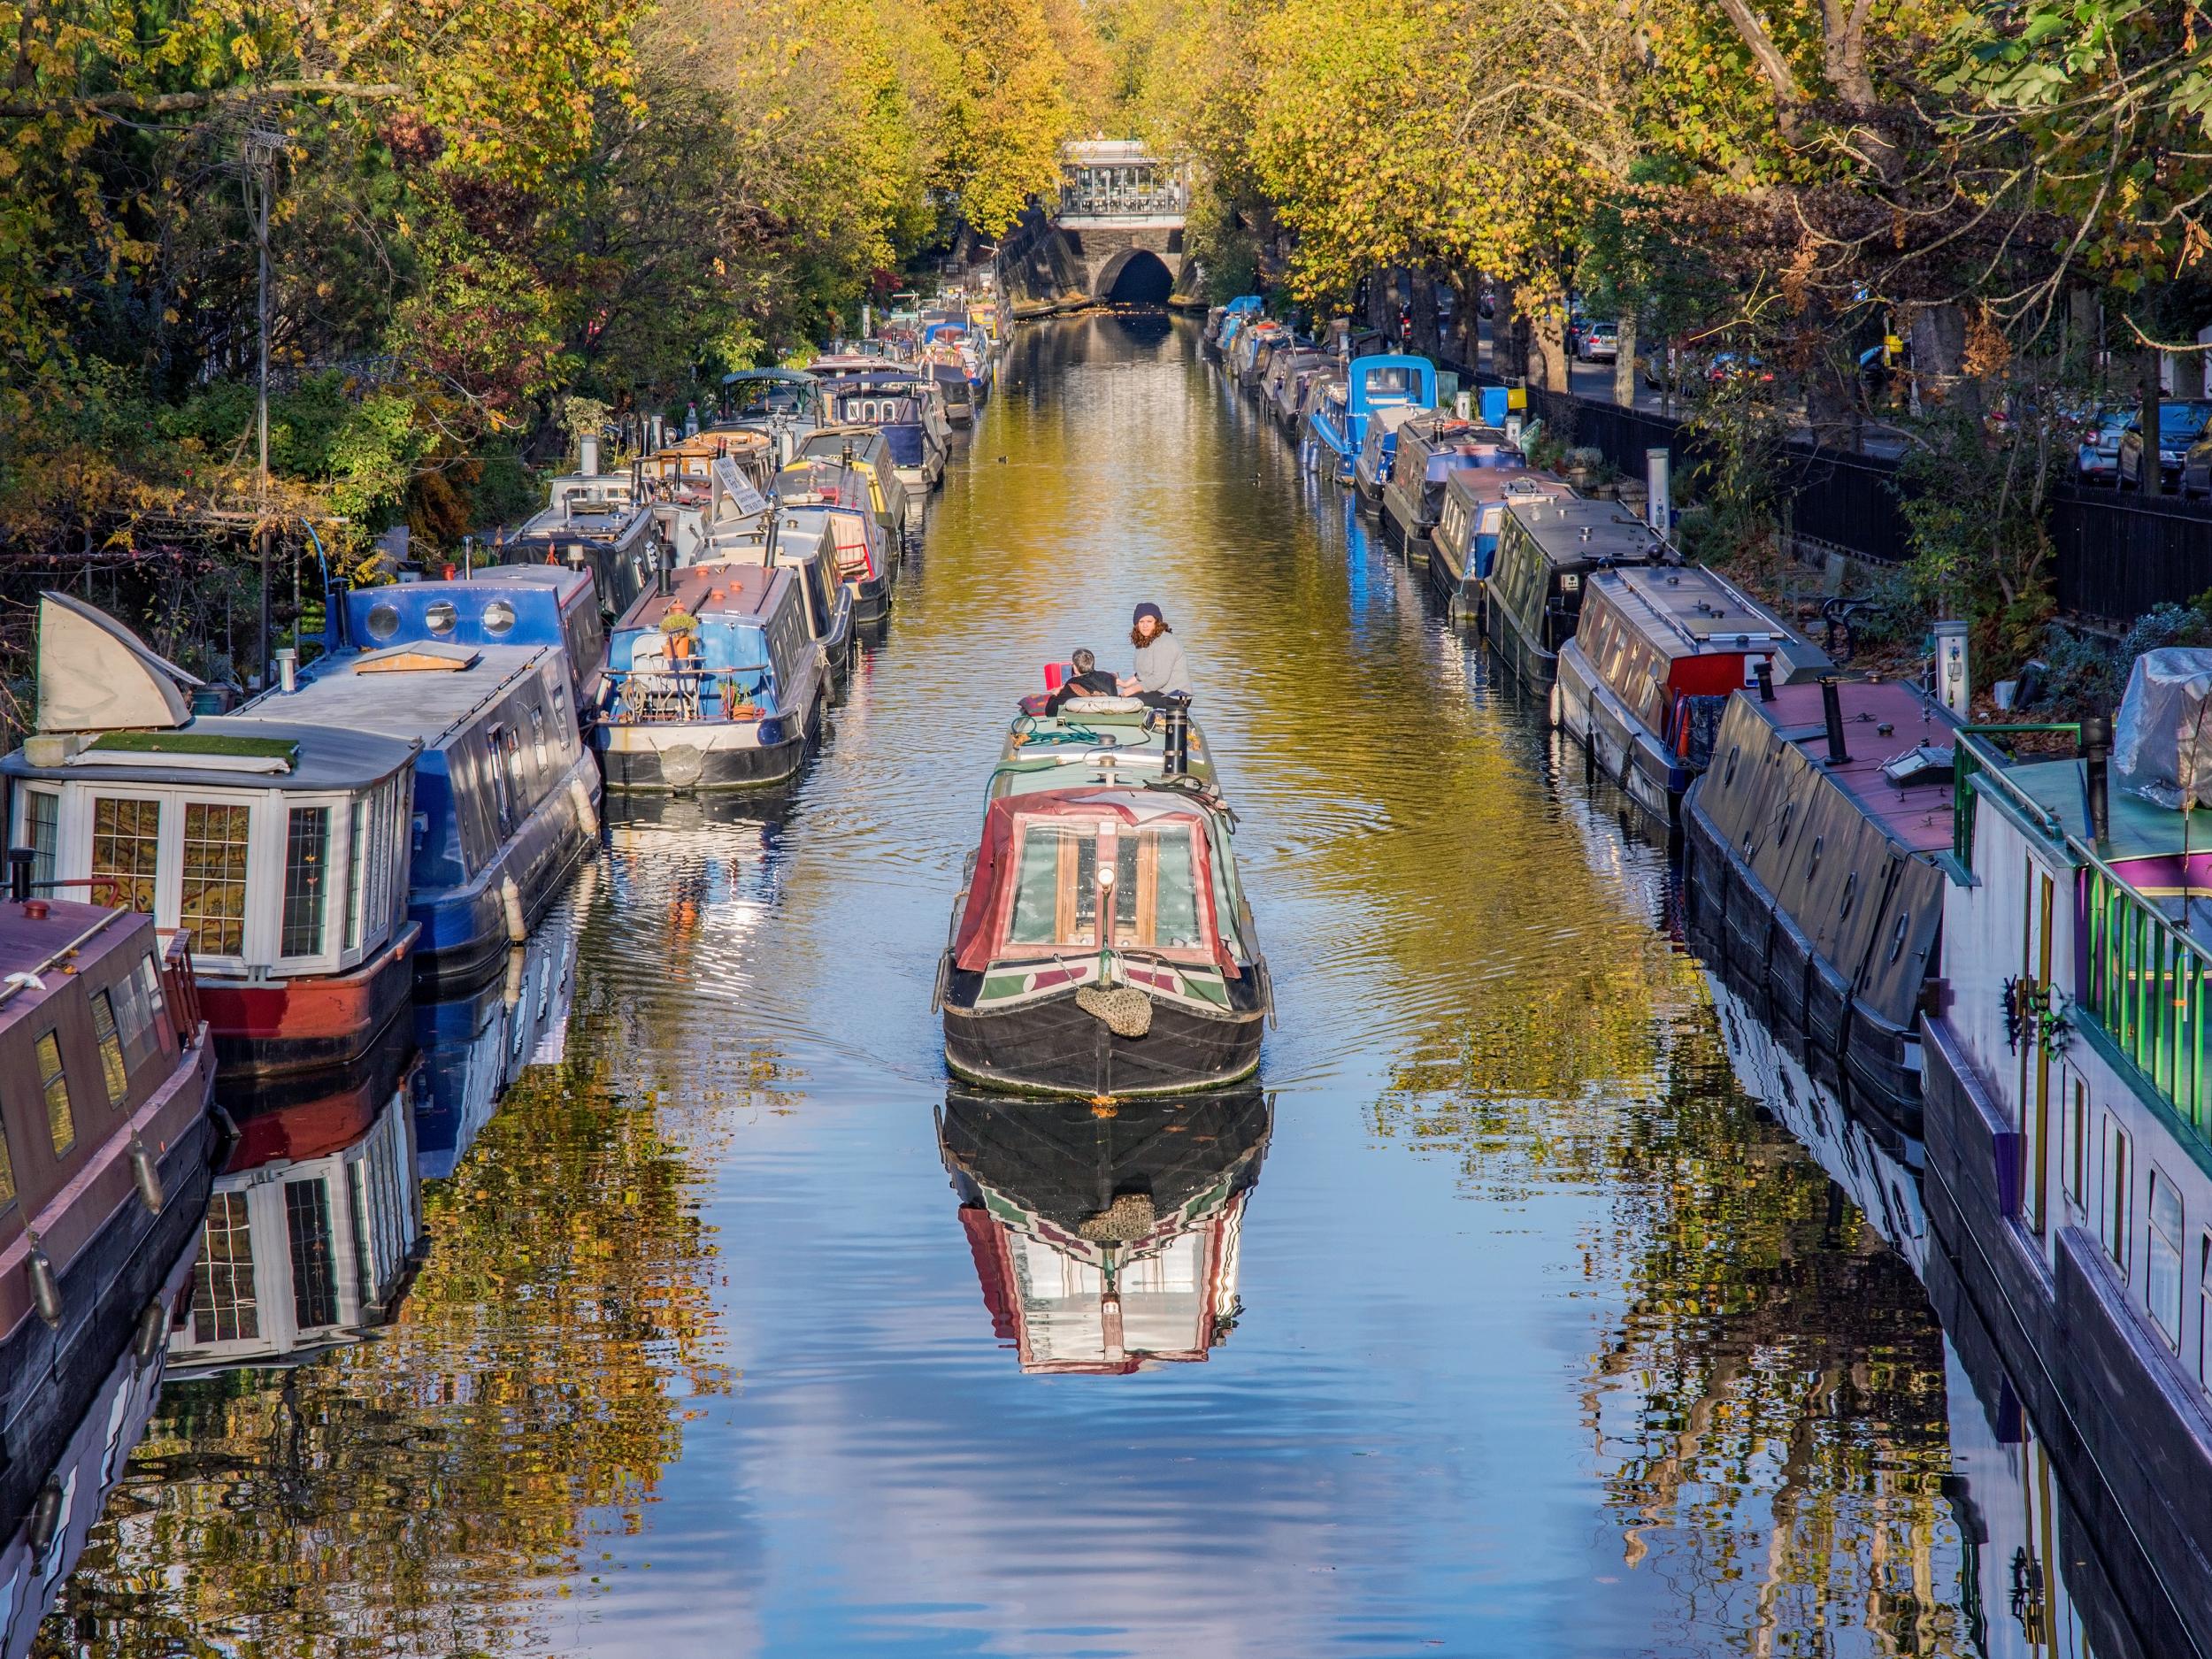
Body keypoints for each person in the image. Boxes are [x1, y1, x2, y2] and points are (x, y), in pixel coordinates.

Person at [1120, 603, 1191, 707]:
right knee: (1122, 697)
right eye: (1141, 622)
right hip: (1160, 692)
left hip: (1178, 697)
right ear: (1136, 624)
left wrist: (1132, 690)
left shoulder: (1165, 642)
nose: (1145, 625)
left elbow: (1159, 678)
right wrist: (1125, 684)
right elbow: (1144, 673)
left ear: (1157, 623)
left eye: (1149, 621)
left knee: (1127, 702)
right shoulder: (1146, 641)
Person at [1045, 648, 1120, 714]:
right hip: (1111, 716)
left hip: (1085, 721)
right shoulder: (1109, 677)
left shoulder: (1072, 683)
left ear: (1075, 667)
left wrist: (1054, 694)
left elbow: (1051, 711)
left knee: (1061, 720)